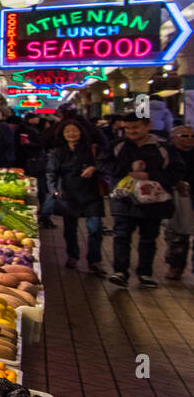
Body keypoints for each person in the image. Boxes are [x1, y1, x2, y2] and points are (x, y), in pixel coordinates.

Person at [104, 114, 185, 287]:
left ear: (148, 126)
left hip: (153, 202)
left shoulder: (162, 147)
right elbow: (103, 164)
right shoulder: (118, 145)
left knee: (149, 238)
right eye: (128, 128)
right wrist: (126, 171)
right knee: (121, 236)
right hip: (124, 200)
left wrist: (149, 175)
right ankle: (120, 271)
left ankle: (145, 273)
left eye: (136, 127)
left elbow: (177, 171)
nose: (131, 131)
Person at [45, 120, 106, 273]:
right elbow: (51, 172)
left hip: (91, 193)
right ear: (63, 134)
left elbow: (106, 166)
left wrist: (94, 168)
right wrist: (54, 190)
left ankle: (95, 261)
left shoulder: (92, 149)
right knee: (69, 229)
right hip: (68, 193)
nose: (71, 134)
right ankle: (73, 256)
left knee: (95, 229)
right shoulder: (58, 152)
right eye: (67, 131)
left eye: (74, 131)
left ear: (81, 132)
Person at [163, 124, 194, 278]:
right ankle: (175, 266)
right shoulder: (166, 153)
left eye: (192, 136)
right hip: (175, 198)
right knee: (176, 235)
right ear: (173, 138)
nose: (189, 139)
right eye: (184, 136)